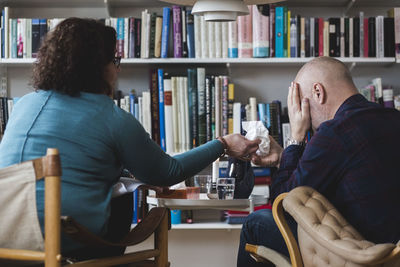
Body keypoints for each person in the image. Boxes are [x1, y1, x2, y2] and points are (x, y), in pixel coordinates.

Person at [0, 18, 261, 258]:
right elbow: (168, 172)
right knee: (120, 195)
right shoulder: (112, 117)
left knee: (117, 182)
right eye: (115, 61)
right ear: (98, 68)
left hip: (9, 238)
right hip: (68, 243)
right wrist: (223, 144)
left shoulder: (23, 105)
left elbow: (77, 162)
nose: (117, 71)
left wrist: (125, 174)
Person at [237, 57, 400, 266]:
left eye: (299, 105)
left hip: (360, 253)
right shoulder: (392, 117)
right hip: (393, 254)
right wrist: (282, 159)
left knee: (256, 224)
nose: (302, 116)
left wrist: (296, 136)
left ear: (317, 93)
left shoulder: (335, 131)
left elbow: (284, 208)